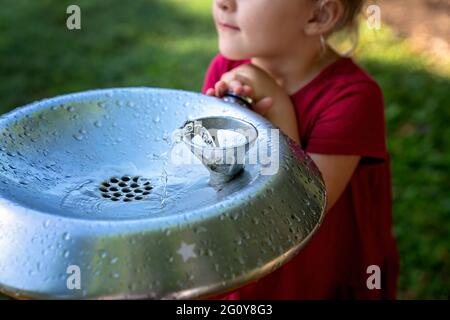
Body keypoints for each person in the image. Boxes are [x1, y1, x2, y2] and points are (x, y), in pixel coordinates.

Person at [202, 0, 400, 299]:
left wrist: (276, 102)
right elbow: (214, 180)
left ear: (319, 15)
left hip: (313, 273)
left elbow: (298, 212)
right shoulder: (226, 70)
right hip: (247, 251)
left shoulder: (352, 98)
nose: (223, 2)